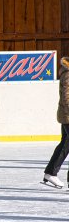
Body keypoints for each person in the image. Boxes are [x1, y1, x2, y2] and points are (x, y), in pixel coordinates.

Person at [43, 57, 69, 188]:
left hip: (66, 115)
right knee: (65, 144)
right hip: (68, 115)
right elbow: (66, 96)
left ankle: (51, 172)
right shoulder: (68, 74)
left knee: (65, 144)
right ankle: (51, 172)